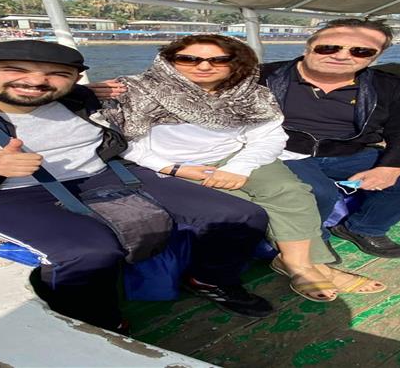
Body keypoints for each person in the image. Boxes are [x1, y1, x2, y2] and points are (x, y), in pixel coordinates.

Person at [0, 40, 277, 334]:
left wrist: (84, 93)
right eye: (16, 71)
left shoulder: (77, 99)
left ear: (74, 79)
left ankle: (210, 279)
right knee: (87, 253)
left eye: (57, 74)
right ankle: (98, 322)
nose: (37, 82)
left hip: (105, 174)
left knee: (239, 215)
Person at [99, 34, 385, 302]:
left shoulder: (252, 94)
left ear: (236, 62)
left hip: (237, 156)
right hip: (168, 165)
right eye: (189, 59)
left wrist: (239, 167)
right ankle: (315, 266)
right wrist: (173, 168)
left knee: (291, 191)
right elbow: (124, 142)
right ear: (169, 61)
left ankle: (298, 264)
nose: (204, 66)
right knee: (246, 205)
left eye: (218, 59)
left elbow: (269, 137)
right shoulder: (134, 91)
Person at [260, 19, 400, 259]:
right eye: (329, 48)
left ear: (375, 56)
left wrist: (390, 167)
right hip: (285, 151)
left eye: (360, 51)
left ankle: (363, 228)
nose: (341, 56)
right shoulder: (262, 77)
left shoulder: (391, 86)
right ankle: (313, 239)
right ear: (308, 47)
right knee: (319, 191)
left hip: (349, 152)